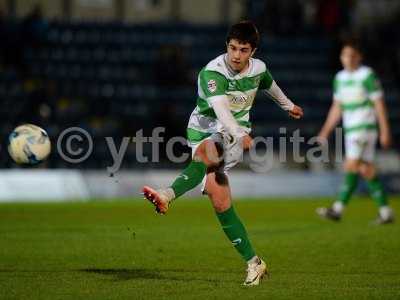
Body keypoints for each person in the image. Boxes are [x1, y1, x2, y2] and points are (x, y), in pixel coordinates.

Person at [142, 21, 304, 286]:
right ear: (226, 46)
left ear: (253, 51)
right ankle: (255, 263)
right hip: (206, 130)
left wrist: (288, 105)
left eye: (243, 50)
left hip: (227, 136)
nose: (236, 55)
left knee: (207, 154)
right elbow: (221, 112)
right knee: (220, 202)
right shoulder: (212, 73)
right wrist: (241, 133)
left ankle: (166, 195)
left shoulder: (258, 69)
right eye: (232, 48)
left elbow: (269, 84)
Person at [316, 41, 394, 224]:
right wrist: (325, 131)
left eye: (352, 55)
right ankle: (385, 212)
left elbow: (379, 103)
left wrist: (385, 130)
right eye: (345, 55)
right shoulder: (340, 78)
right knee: (365, 169)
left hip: (364, 127)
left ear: (359, 57)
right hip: (351, 129)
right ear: (341, 58)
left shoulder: (366, 75)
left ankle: (337, 209)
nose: (348, 59)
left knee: (350, 166)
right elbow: (337, 107)